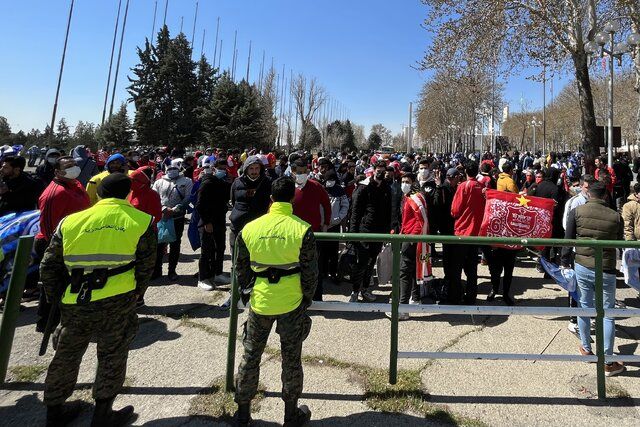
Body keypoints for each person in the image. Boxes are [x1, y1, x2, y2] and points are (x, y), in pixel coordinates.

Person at [40, 173, 157, 426]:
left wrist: (55, 297)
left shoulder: (70, 222)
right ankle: (103, 412)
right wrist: (138, 292)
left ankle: (54, 410)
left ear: (99, 193)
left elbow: (48, 266)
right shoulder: (141, 221)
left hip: (75, 300)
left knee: (66, 355)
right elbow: (147, 264)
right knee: (113, 354)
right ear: (128, 194)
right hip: (118, 299)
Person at [234, 177, 317, 427]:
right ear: (293, 198)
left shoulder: (250, 228)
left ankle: (242, 413)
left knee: (250, 356)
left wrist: (249, 292)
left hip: (260, 301)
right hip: (291, 302)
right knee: (291, 358)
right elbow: (310, 272)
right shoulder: (302, 229)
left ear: (271, 198)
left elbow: (241, 268)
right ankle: (291, 414)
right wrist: (306, 298)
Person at [561, 181, 625, 377]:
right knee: (608, 313)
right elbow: (619, 242)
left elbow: (568, 238)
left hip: (582, 264)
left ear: (588, 194)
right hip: (606, 267)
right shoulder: (616, 216)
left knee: (584, 305)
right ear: (605, 196)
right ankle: (607, 359)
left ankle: (586, 348)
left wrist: (564, 261)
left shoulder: (577, 211)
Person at [35, 156, 91, 331]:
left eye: (74, 164)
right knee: (53, 285)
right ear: (57, 172)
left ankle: (68, 319)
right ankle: (47, 324)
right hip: (56, 245)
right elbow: (49, 227)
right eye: (68, 166)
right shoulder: (54, 193)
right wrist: (61, 249)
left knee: (71, 283)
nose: (73, 168)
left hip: (76, 242)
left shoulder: (76, 184)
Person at [348, 160, 392, 302]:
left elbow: (388, 212)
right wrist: (353, 235)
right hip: (364, 231)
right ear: (373, 170)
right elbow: (355, 213)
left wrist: (387, 232)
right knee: (361, 263)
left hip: (378, 233)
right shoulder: (363, 188)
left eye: (382, 170)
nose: (380, 172)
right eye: (377, 170)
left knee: (371, 262)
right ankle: (355, 291)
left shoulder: (387, 188)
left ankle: (365, 289)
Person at [291, 159, 331, 301]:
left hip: (313, 233)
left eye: (304, 172)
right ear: (293, 172)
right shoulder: (288, 188)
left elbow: (327, 204)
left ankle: (317, 297)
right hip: (292, 234)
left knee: (315, 267)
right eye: (298, 172)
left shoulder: (316, 186)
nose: (301, 175)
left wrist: (326, 223)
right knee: (294, 267)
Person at [449, 161, 485, 304]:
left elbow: (455, 210)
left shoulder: (463, 187)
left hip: (462, 232)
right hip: (476, 233)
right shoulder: (482, 188)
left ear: (465, 172)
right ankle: (471, 296)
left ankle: (456, 295)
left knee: (456, 267)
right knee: (472, 268)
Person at [152, 158, 193, 280]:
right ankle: (157, 270)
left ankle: (172, 271)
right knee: (159, 245)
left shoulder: (187, 181)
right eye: (169, 169)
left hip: (178, 217)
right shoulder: (159, 182)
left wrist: (177, 208)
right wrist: (164, 208)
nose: (172, 171)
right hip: (162, 217)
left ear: (179, 168)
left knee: (175, 245)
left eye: (175, 168)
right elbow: (155, 197)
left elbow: (189, 197)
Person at [399, 172, 432, 320]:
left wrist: (412, 239)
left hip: (412, 239)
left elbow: (421, 221)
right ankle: (415, 297)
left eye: (407, 181)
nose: (404, 184)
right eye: (402, 181)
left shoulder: (415, 198)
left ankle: (403, 307)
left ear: (413, 183)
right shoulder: (408, 197)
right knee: (412, 271)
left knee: (404, 272)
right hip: (408, 236)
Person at [486, 162, 519, 306]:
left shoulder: (498, 179)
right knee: (507, 267)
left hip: (499, 231)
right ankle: (504, 293)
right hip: (508, 231)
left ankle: (494, 290)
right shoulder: (510, 182)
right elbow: (517, 198)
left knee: (496, 266)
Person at [196, 159, 231, 290]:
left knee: (220, 247)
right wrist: (206, 221)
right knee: (206, 251)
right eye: (220, 169)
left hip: (220, 220)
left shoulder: (222, 182)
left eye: (224, 169)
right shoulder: (207, 182)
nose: (223, 171)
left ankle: (217, 273)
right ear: (214, 168)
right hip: (208, 222)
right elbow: (200, 205)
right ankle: (202, 278)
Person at [229, 155, 272, 254]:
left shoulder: (268, 183)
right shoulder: (237, 183)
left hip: (259, 227)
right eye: (251, 168)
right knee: (237, 255)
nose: (254, 171)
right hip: (239, 226)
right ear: (246, 169)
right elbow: (234, 201)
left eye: (257, 168)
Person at [319, 169, 349, 281]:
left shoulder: (340, 191)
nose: (330, 181)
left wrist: (339, 218)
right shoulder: (320, 190)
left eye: (332, 179)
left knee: (333, 251)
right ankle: (322, 272)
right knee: (322, 251)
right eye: (329, 179)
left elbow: (345, 205)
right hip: (322, 226)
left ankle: (333, 272)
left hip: (334, 225)